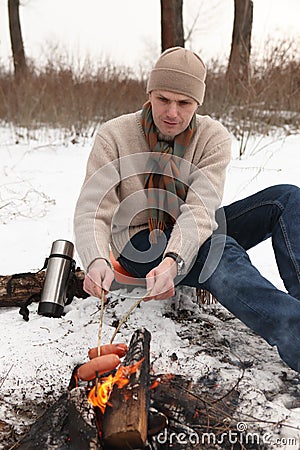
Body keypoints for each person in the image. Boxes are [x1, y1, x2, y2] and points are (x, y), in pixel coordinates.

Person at [74, 47, 300, 374]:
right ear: (150, 93)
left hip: (188, 231)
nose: (172, 113)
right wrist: (95, 258)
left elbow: (200, 209)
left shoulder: (213, 138)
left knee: (287, 199)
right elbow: (93, 209)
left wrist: (174, 259)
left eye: (184, 103)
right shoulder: (115, 135)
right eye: (164, 99)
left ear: (198, 104)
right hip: (137, 242)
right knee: (219, 252)